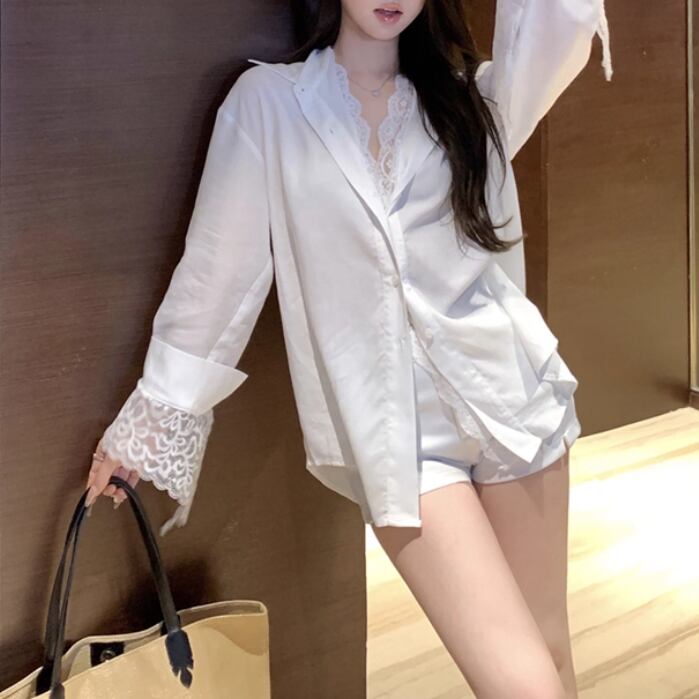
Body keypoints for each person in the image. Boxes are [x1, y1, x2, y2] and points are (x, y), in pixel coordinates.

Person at [86, 0, 612, 695]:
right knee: (526, 686)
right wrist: (153, 418)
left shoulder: (470, 98)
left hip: (513, 398)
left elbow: (560, 23)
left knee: (549, 650)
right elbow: (219, 272)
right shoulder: (271, 103)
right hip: (400, 443)